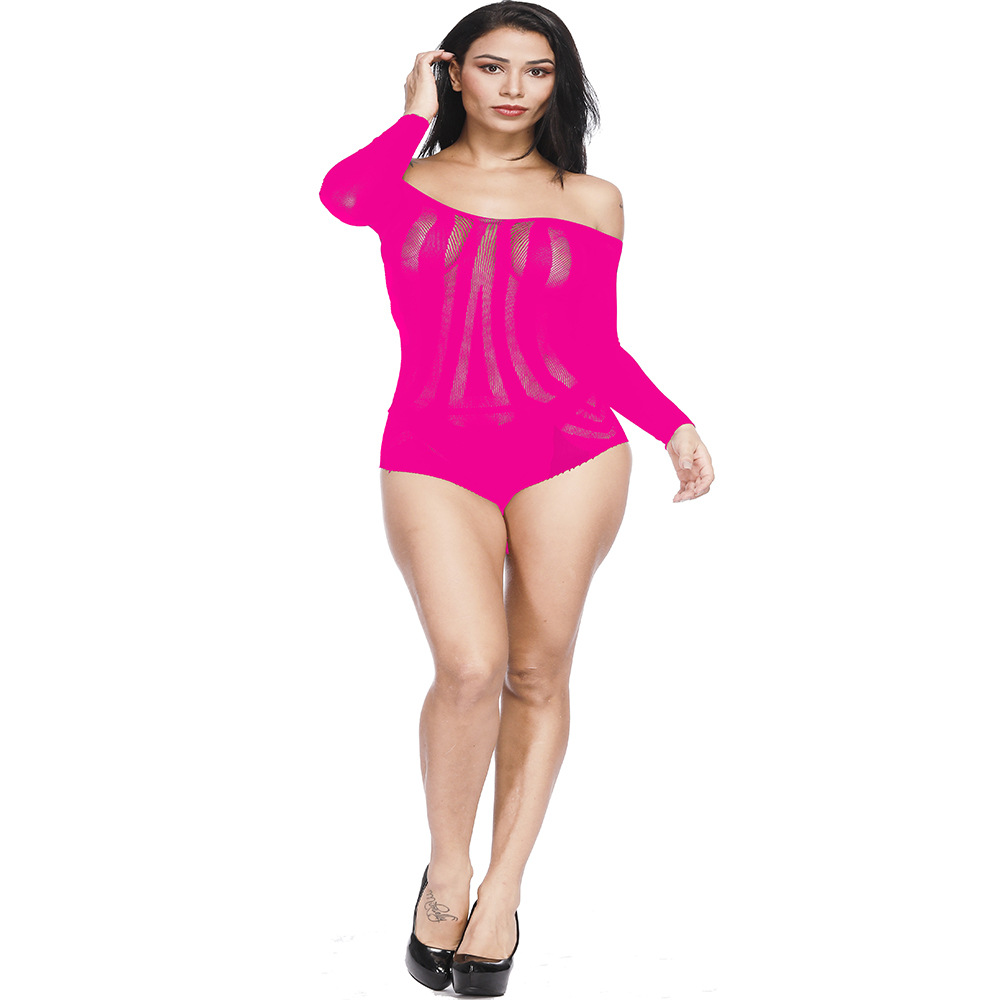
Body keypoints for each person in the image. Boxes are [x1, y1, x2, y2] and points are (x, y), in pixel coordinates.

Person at [319, 3, 715, 994]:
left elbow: (595, 347)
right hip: (430, 450)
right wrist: (411, 115)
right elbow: (340, 196)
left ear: (558, 85)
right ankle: (446, 872)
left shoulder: (592, 198)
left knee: (536, 672)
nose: (512, 88)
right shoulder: (403, 181)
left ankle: (500, 895)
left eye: (536, 71)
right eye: (490, 67)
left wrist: (670, 422)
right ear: (453, 73)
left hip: (570, 450)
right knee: (469, 665)